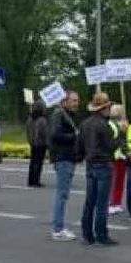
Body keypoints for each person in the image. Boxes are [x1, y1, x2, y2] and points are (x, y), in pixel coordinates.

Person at [76, 92, 120, 246]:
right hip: (103, 164)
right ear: (104, 108)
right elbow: (111, 146)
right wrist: (122, 133)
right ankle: (101, 234)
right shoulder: (104, 125)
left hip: (90, 164)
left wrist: (82, 157)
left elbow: (79, 147)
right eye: (109, 107)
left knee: (90, 202)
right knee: (102, 203)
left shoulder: (85, 123)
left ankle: (87, 234)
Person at [49, 90, 80, 240]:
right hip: (63, 158)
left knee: (64, 194)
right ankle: (58, 229)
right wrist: (74, 136)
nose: (76, 103)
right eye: (73, 100)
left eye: (77, 100)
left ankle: (59, 226)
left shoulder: (68, 115)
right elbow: (55, 135)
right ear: (65, 101)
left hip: (69, 157)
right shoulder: (58, 114)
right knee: (62, 194)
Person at [108, 103, 129, 215]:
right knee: (113, 181)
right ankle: (111, 203)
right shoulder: (110, 124)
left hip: (122, 156)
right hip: (113, 156)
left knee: (120, 181)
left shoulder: (125, 123)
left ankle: (117, 203)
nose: (119, 113)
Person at [26, 100, 49, 187]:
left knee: (32, 162)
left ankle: (30, 180)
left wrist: (30, 141)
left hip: (32, 143)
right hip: (40, 144)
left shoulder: (30, 119)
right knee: (38, 163)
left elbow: (27, 131)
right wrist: (48, 145)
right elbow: (45, 134)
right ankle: (36, 180)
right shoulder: (42, 120)